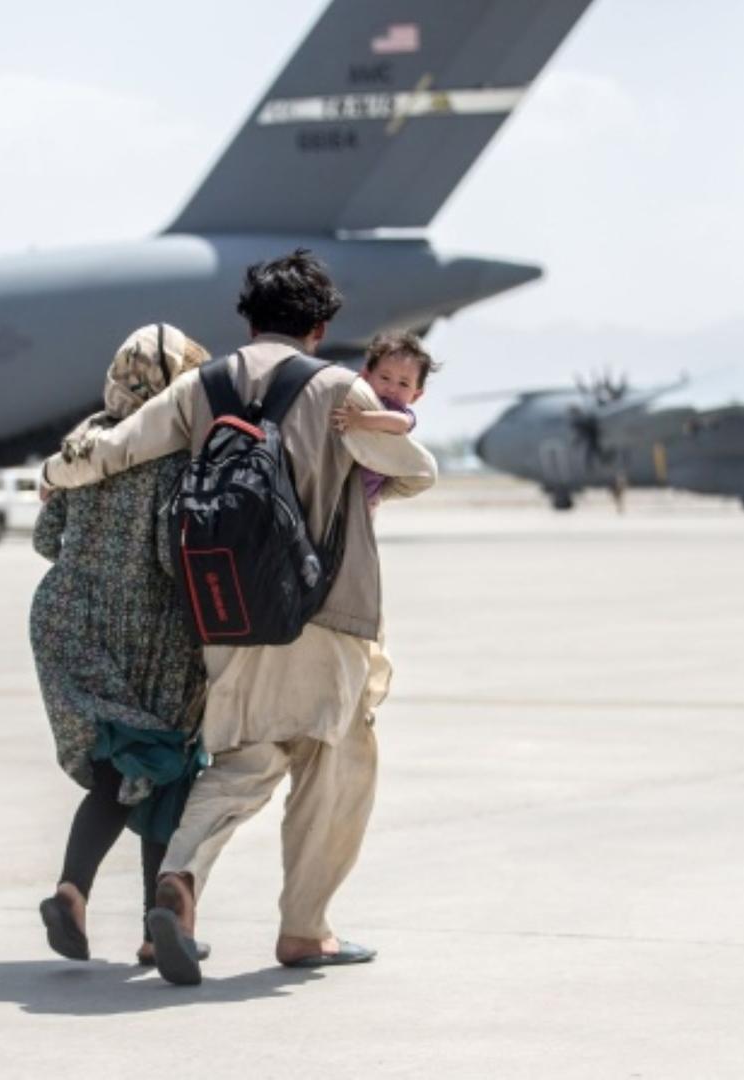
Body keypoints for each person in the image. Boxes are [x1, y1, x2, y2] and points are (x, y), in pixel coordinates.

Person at [39, 249, 437, 985]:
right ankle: (305, 931)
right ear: (319, 327)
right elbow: (417, 468)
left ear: (247, 317)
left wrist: (54, 474)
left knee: (243, 759)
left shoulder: (204, 384)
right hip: (326, 611)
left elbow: (117, 449)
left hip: (226, 613)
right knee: (337, 758)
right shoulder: (340, 388)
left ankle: (180, 878)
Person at [31, 323, 211, 967]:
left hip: (68, 618)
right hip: (148, 629)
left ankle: (73, 892)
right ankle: (157, 923)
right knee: (162, 768)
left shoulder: (85, 440)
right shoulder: (173, 452)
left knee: (118, 767)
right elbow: (171, 555)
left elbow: (47, 540)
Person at [330, 331, 439, 508]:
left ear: (416, 395)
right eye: (385, 378)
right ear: (365, 376)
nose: (392, 388)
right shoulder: (360, 398)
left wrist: (360, 419)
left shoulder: (399, 412)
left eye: (403, 384)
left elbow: (400, 424)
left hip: (367, 492)